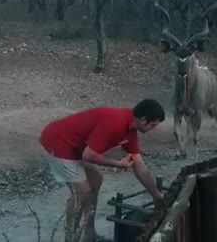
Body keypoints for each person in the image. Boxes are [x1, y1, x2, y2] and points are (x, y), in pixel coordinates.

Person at [40, 99, 166, 242]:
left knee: (96, 179)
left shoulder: (130, 130)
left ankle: (89, 233)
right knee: (81, 192)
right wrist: (117, 164)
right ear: (144, 120)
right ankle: (71, 238)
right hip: (57, 140)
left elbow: (139, 166)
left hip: (75, 146)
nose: (153, 128)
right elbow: (89, 155)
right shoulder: (116, 122)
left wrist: (156, 195)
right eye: (153, 124)